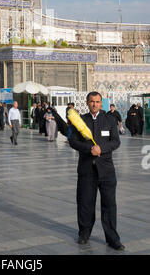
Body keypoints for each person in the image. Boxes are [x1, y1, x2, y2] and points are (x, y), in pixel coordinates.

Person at [68, 91, 124, 251]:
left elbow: (115, 141)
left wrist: (102, 148)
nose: (95, 104)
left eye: (98, 102)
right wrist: (89, 148)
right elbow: (72, 141)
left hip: (106, 171)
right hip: (87, 170)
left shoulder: (110, 120)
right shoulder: (80, 120)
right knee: (85, 203)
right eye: (92, 101)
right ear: (87, 103)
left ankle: (112, 238)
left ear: (101, 103)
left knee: (109, 205)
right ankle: (84, 233)